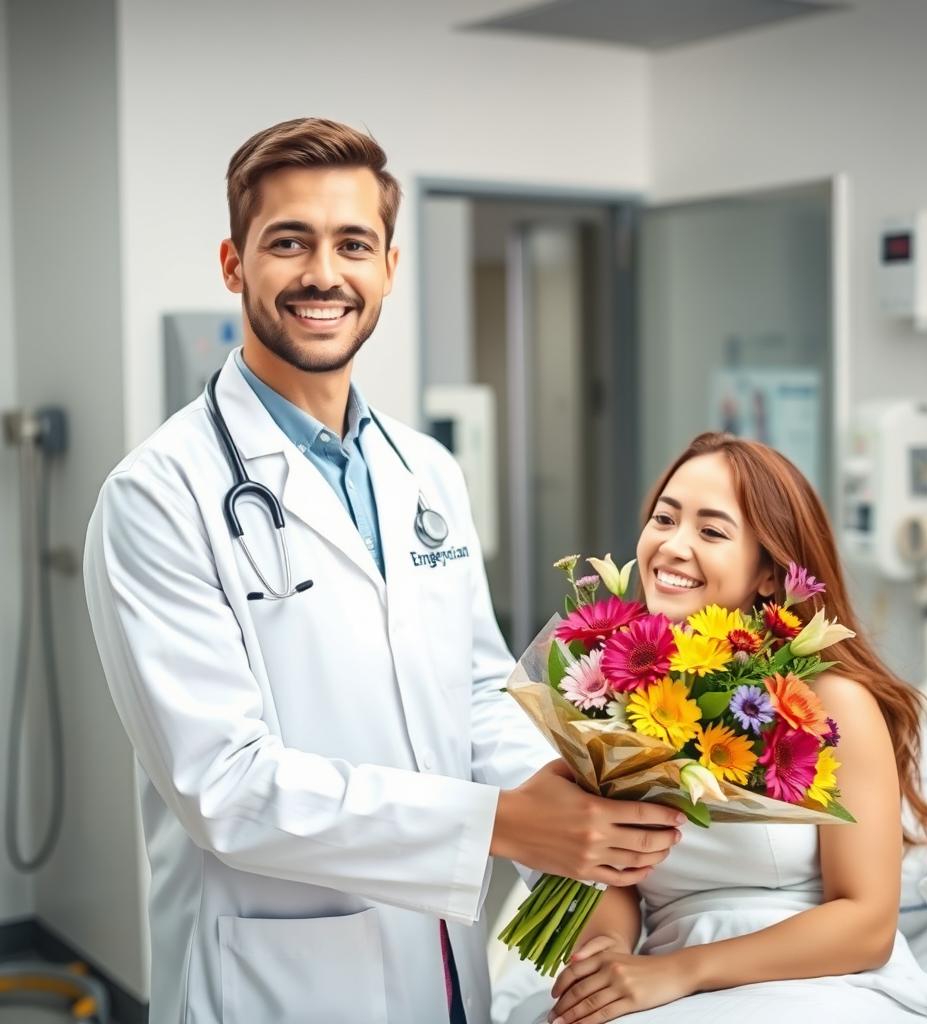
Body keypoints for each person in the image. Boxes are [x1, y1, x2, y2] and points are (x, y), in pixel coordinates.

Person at [82, 117, 685, 1024]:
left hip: (443, 955)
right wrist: (499, 826)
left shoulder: (426, 470)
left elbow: (476, 688)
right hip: (279, 978)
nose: (324, 273)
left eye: (352, 243)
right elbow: (228, 788)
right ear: (233, 264)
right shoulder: (159, 494)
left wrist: (565, 810)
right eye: (289, 241)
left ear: (389, 269)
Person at [529, 433, 927, 1024]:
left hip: (816, 977)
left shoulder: (827, 702)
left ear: (769, 575)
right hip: (659, 979)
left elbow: (867, 925)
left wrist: (681, 972)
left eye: (711, 531)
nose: (674, 546)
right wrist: (604, 953)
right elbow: (618, 879)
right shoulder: (620, 694)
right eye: (665, 518)